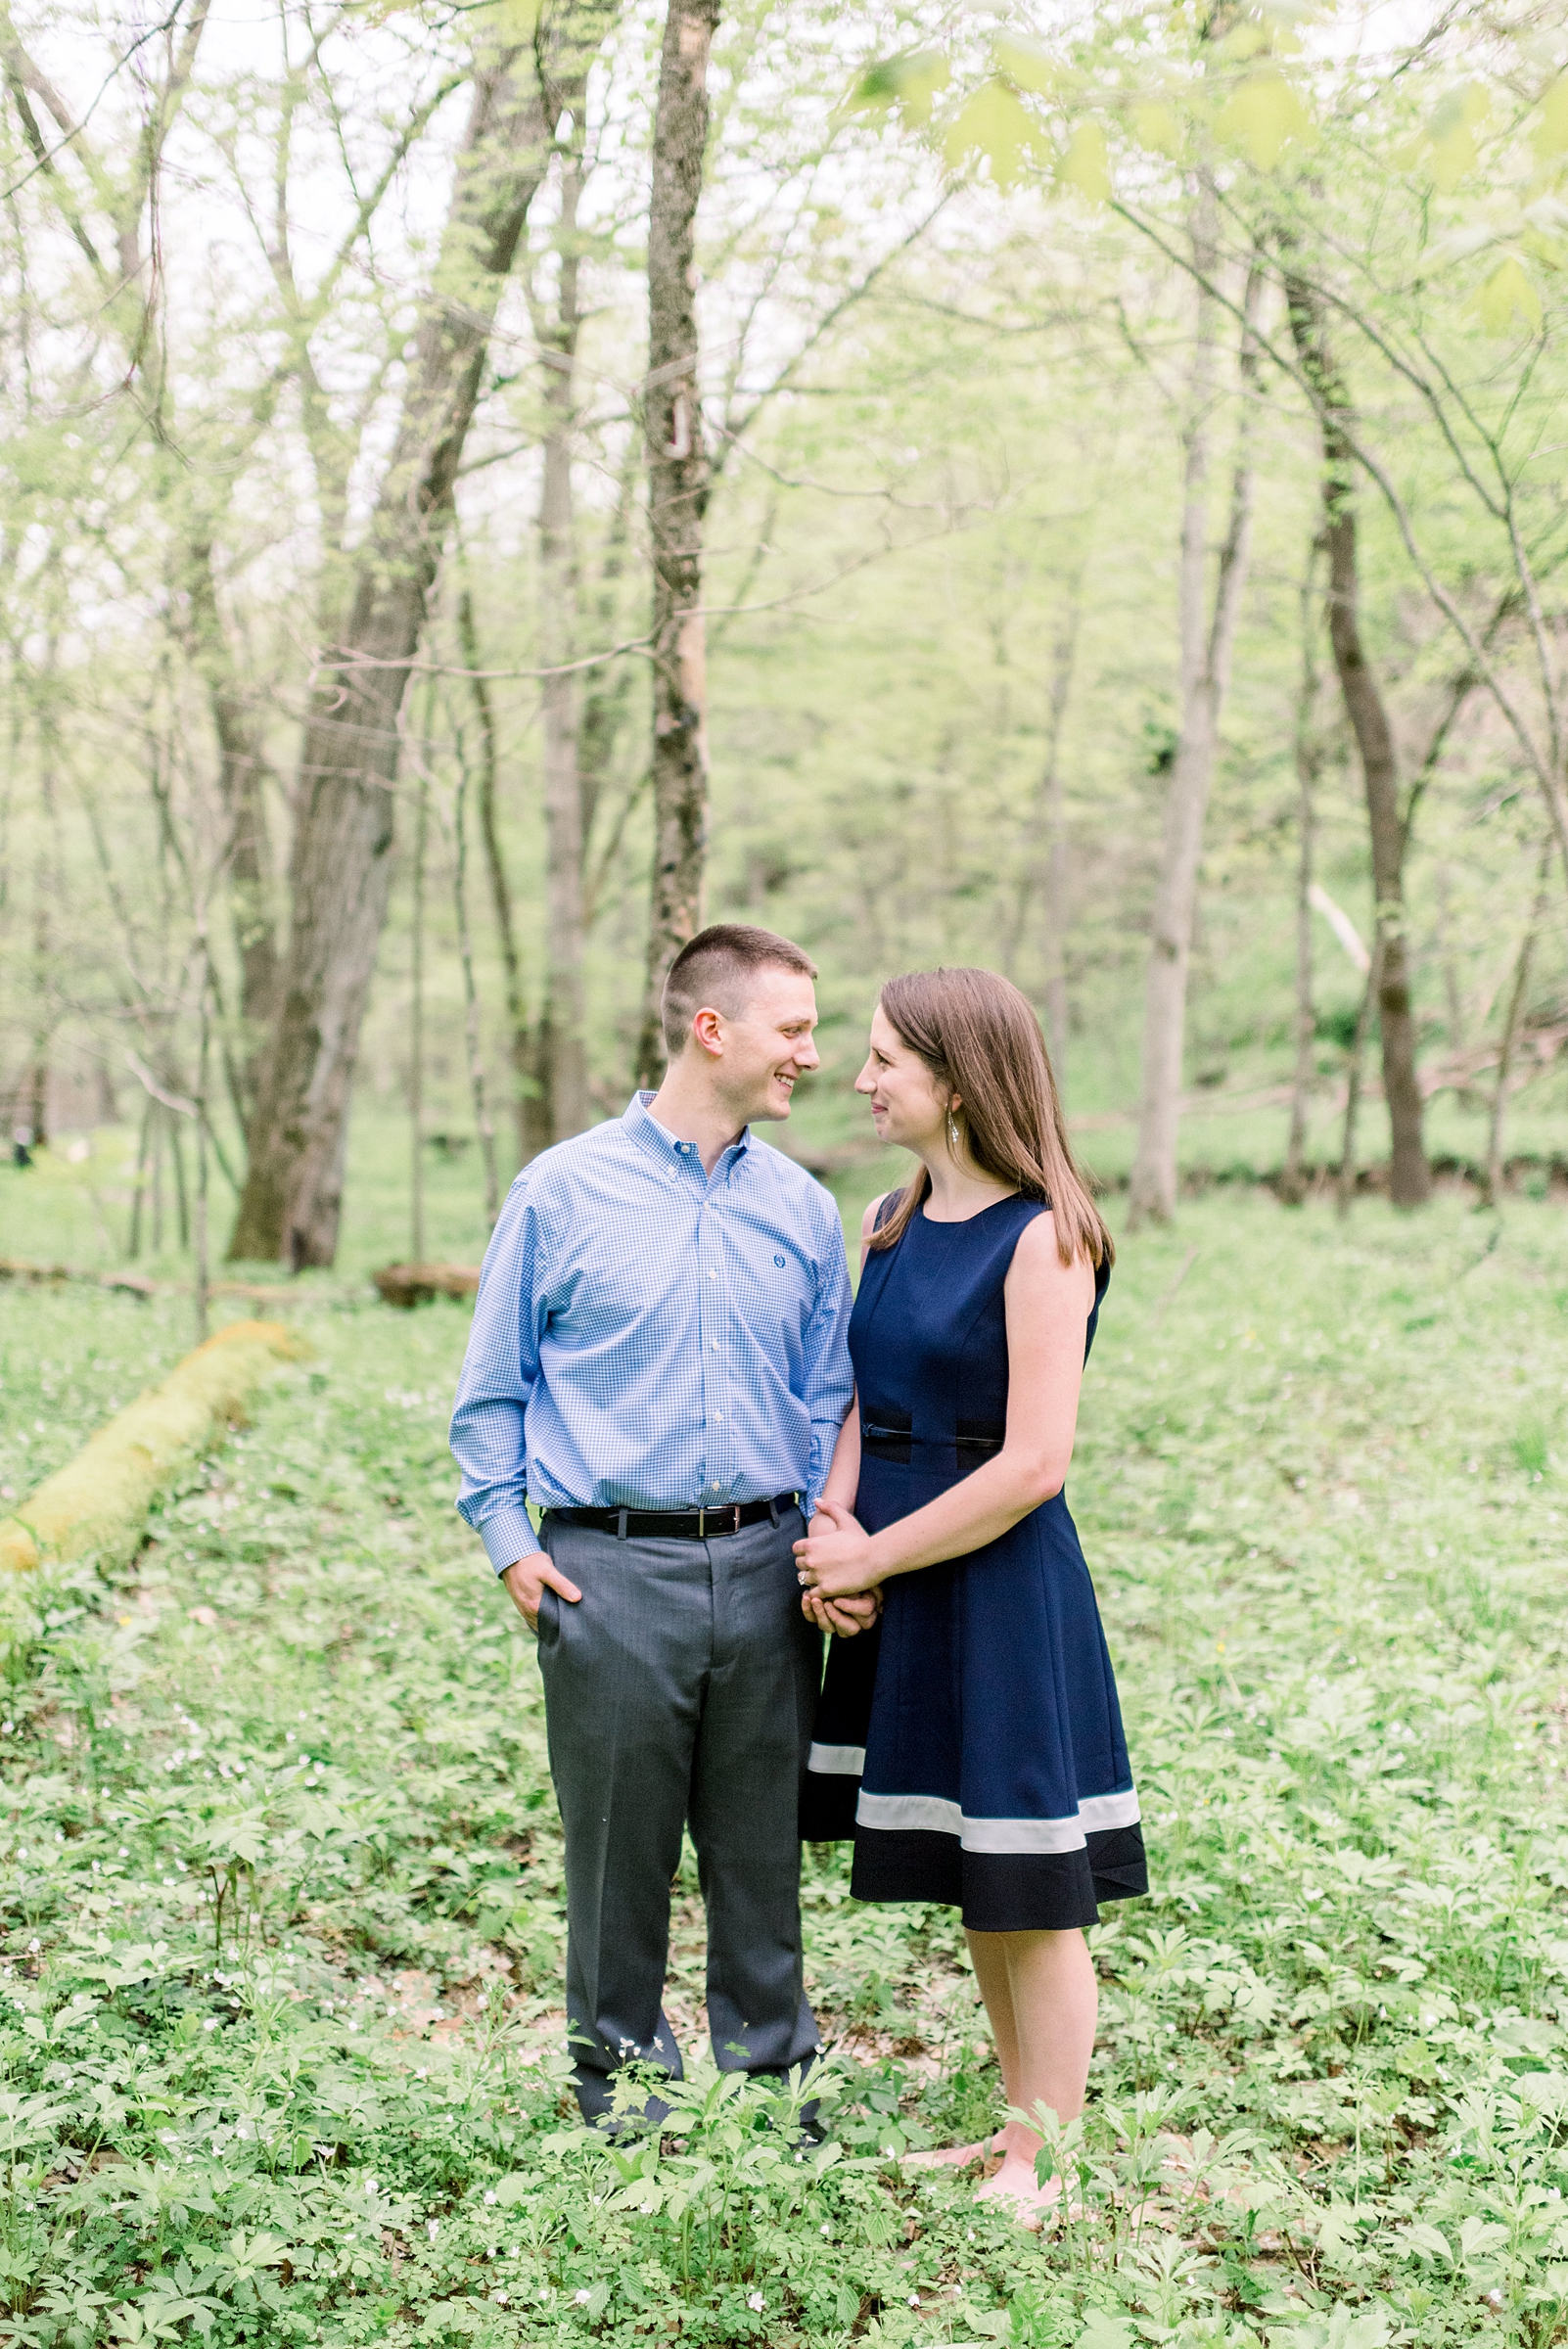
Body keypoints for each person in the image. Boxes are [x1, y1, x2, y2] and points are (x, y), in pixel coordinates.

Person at [449, 923, 871, 2125]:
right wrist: (511, 1544)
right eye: (794, 1029)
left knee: (761, 1859)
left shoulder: (801, 1207)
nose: (811, 1053)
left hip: (766, 1565)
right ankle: (621, 2097)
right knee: (615, 1862)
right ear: (713, 1028)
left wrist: (823, 1536)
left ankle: (776, 2090)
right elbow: (490, 1393)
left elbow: (823, 1394)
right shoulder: (563, 1190)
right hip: (606, 1572)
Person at [795, 967, 1146, 2224]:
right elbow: (854, 1395)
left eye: (886, 1057)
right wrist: (835, 1528)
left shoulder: (1047, 1233)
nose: (861, 1077)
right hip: (894, 1579)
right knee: (975, 1875)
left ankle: (1045, 2160)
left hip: (995, 1589)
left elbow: (1033, 1464)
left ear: (957, 1078)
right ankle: (1013, 2137)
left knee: (1034, 1890)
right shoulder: (891, 1214)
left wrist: (874, 1559)